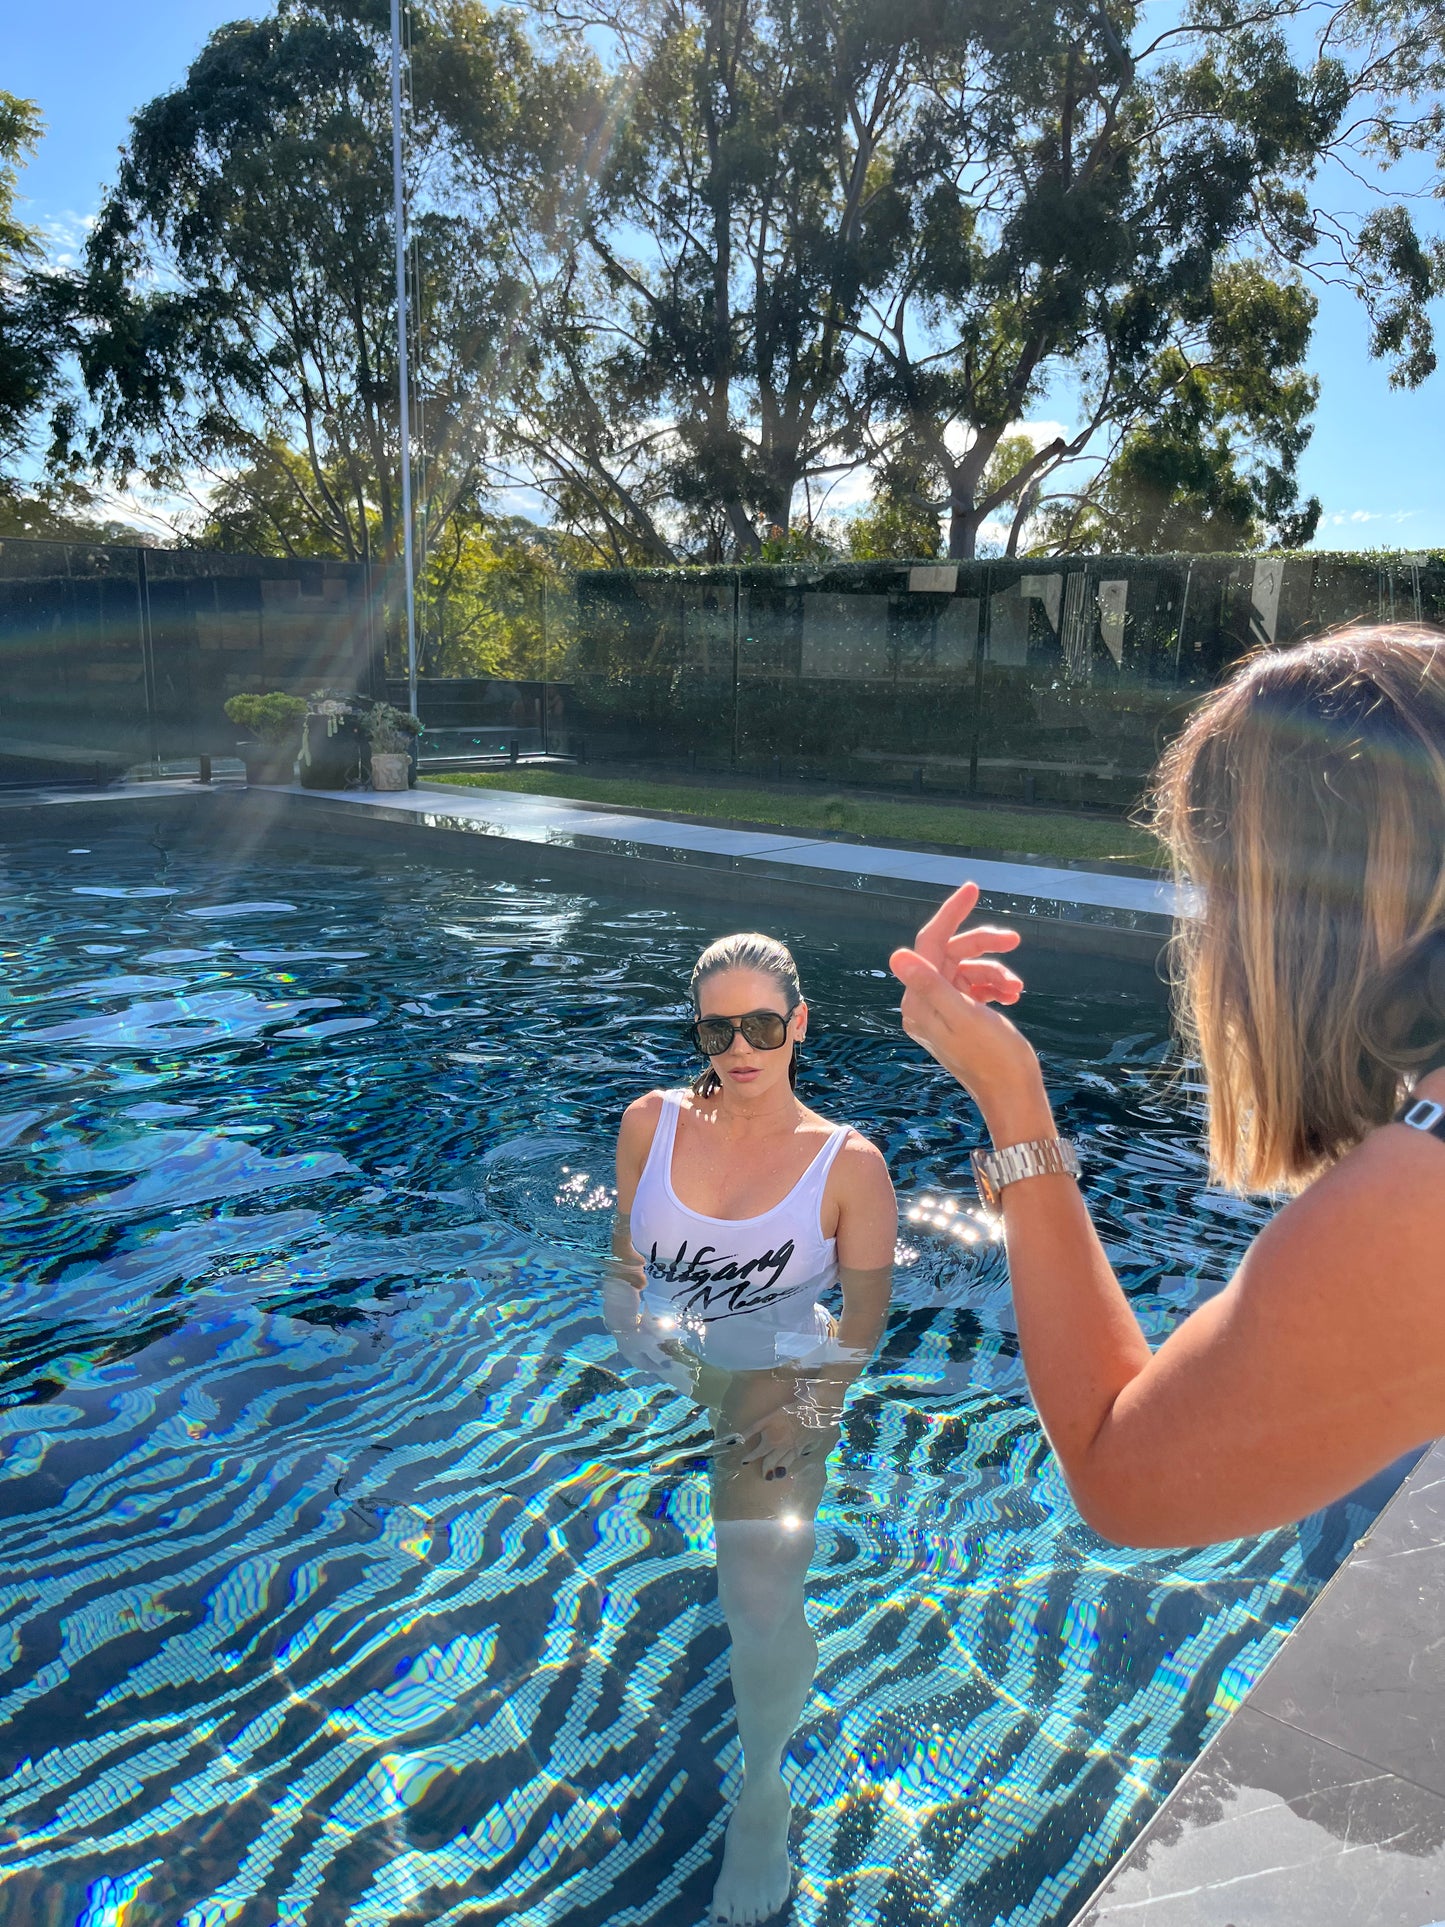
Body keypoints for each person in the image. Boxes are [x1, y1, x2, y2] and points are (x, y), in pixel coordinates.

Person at [888, 625, 1445, 1549]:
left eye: (1211, 888)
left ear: (1290, 910)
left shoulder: (1415, 1200)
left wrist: (1010, 1098)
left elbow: (1124, 1479)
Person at [608, 932, 896, 1927]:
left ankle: (762, 1790)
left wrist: (806, 1411)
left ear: (797, 1025)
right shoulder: (648, 1122)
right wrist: (630, 1329)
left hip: (785, 1381)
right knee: (732, 1588)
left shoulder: (846, 1165)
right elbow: (621, 1264)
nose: (740, 1046)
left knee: (758, 1603)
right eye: (717, 1026)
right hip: (689, 1369)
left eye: (761, 1025)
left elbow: (858, 1326)